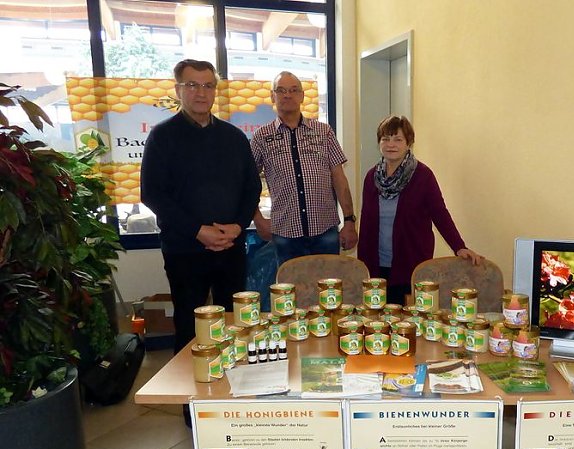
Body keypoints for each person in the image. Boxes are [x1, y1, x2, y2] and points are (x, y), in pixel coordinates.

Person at [141, 58, 261, 357]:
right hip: (185, 250)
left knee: (235, 323)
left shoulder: (233, 137)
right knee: (189, 326)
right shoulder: (162, 136)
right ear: (178, 89)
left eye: (208, 85)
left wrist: (238, 224)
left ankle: (230, 395)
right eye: (192, 85)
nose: (201, 92)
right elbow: (152, 194)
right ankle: (189, 401)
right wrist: (198, 231)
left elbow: (252, 188)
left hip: (231, 247)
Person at [357, 115, 481, 304]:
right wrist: (363, 264)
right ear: (379, 142)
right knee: (377, 320)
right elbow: (366, 221)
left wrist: (459, 246)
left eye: (398, 139)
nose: (391, 144)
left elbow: (439, 213)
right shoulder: (371, 177)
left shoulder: (423, 176)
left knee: (407, 321)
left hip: (410, 263)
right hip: (376, 265)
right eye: (385, 139)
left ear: (409, 143)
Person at [250, 71, 358, 264]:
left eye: (293, 90)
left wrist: (349, 220)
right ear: (272, 96)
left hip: (325, 230)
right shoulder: (261, 137)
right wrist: (258, 219)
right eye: (281, 90)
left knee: (329, 290)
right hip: (285, 233)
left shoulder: (323, 132)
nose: (287, 95)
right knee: (290, 291)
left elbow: (339, 178)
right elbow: (248, 182)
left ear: (301, 95)